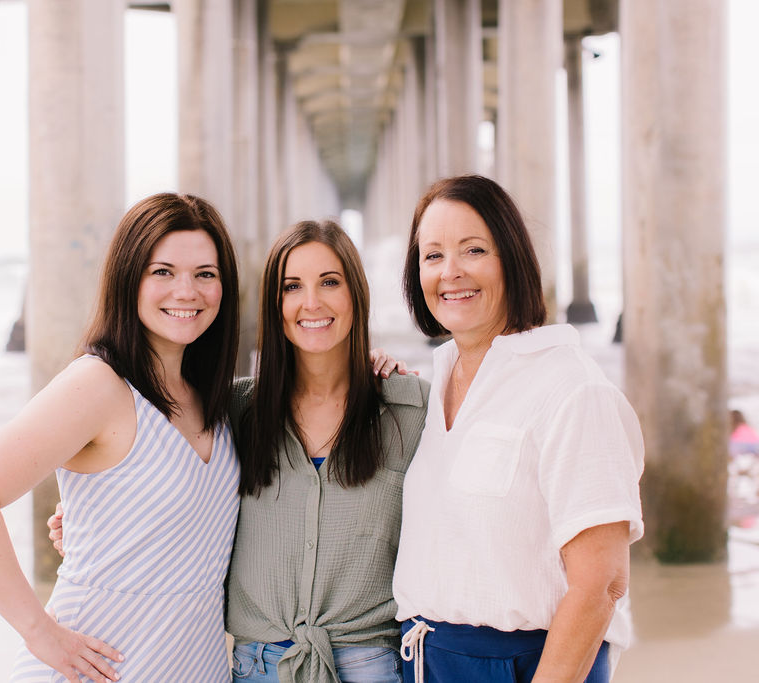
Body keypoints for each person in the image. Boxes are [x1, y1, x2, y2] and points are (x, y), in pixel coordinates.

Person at [0, 192, 242, 683]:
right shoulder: (98, 385)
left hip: (194, 666)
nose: (187, 291)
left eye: (205, 273)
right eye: (162, 272)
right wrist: (38, 632)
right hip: (98, 669)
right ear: (128, 279)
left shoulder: (215, 397)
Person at [392, 175, 645, 683]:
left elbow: (602, 584)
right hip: (426, 661)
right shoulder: (438, 376)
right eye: (433, 255)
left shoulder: (572, 387)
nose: (451, 272)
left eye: (473, 250)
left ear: (511, 257)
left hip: (525, 666)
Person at [227, 220, 429, 683]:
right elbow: (166, 484)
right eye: (292, 286)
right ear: (273, 304)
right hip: (256, 667)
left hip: (370, 667)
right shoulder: (236, 412)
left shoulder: (411, 410)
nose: (311, 302)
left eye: (329, 282)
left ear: (356, 295)